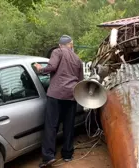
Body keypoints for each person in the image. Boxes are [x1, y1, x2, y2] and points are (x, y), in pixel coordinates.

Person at [34, 35, 84, 167]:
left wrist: (40, 69)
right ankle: (67, 154)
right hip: (71, 96)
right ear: (71, 44)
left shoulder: (58, 51)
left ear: (60, 44)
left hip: (56, 95)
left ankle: (48, 156)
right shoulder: (78, 59)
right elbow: (81, 81)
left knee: (51, 126)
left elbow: (52, 67)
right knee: (68, 126)